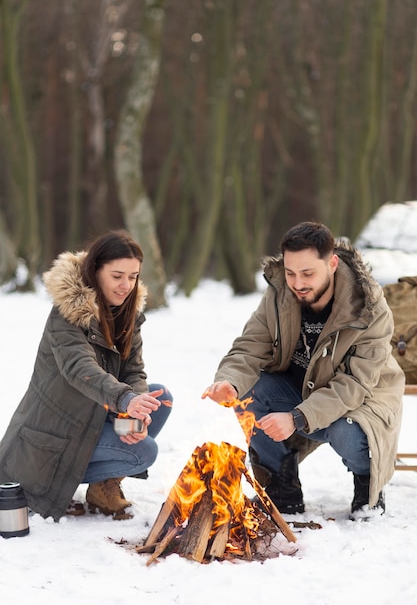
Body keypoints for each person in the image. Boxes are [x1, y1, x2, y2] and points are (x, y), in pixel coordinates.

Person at [202, 221, 404, 519]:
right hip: (297, 391)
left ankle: (366, 482)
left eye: (308, 273)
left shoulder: (369, 308)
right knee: (250, 390)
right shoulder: (279, 293)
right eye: (291, 272)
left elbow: (354, 385)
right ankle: (282, 485)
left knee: (346, 430)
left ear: (332, 263)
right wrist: (229, 382)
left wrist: (297, 417)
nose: (298, 283)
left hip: (360, 402)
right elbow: (251, 344)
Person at [0, 230, 173, 521]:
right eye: (117, 275)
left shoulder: (125, 313)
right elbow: (79, 369)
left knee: (160, 398)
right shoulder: (66, 315)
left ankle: (103, 487)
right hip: (53, 437)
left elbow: (133, 370)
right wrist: (125, 400)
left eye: (133, 277)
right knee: (143, 451)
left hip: (93, 416)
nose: (126, 285)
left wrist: (136, 405)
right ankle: (62, 483)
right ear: (95, 271)